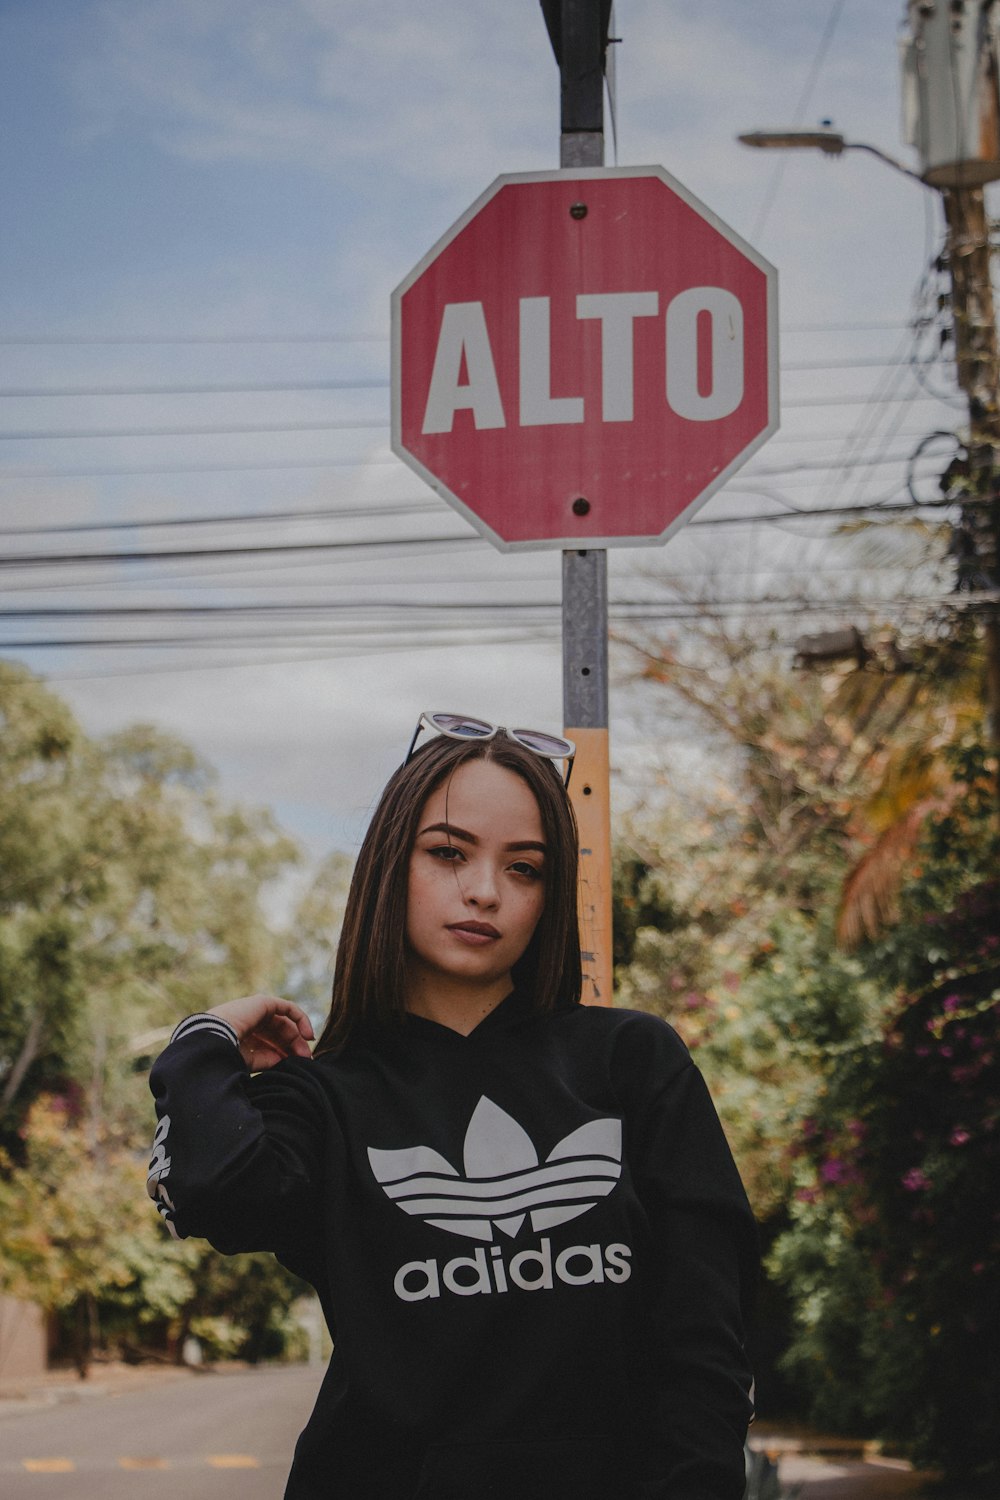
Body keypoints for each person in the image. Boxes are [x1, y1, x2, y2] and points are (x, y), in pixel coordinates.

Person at [147, 713, 758, 1500]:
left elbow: (707, 1332)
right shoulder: (324, 1096)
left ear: (549, 896)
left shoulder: (632, 1063)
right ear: (389, 864)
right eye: (448, 853)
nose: (484, 891)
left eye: (526, 868)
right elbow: (211, 1191)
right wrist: (204, 1042)